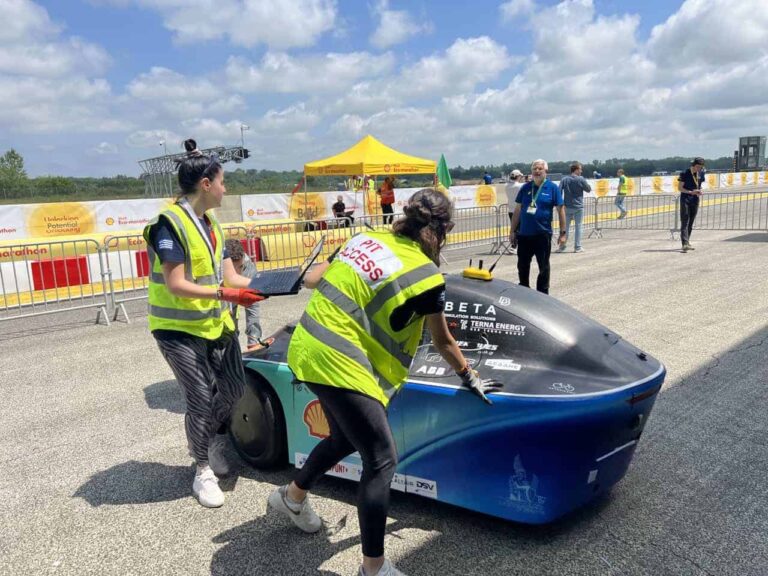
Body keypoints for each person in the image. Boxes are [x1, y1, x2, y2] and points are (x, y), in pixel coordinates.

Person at [267, 189, 501, 576]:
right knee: (381, 459)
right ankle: (373, 568)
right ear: (442, 230)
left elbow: (313, 280)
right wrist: (469, 375)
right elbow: (442, 341)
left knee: (344, 438)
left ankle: (291, 497)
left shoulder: (364, 237)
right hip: (339, 363)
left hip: (306, 348)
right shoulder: (427, 277)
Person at [143, 138, 266, 508]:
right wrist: (228, 297)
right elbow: (176, 284)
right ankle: (201, 468)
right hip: (177, 329)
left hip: (213, 325)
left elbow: (230, 278)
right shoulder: (168, 224)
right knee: (198, 398)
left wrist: (278, 283)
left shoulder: (212, 224)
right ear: (206, 184)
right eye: (223, 181)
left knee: (231, 390)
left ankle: (208, 439)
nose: (227, 189)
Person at [508, 159, 566, 294]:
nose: (537, 171)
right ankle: (524, 290)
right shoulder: (525, 188)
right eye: (534, 169)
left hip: (542, 235)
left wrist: (563, 233)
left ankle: (542, 293)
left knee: (544, 267)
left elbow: (561, 210)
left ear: (546, 171)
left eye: (540, 168)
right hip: (524, 235)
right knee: (522, 266)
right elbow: (517, 210)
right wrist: (512, 230)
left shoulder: (552, 188)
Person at [224, 239, 264, 349]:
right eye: (232, 268)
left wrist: (253, 341)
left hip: (233, 305)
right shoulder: (214, 265)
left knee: (232, 335)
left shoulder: (248, 267)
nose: (237, 273)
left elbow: (253, 307)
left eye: (240, 267)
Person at [558, 162, 592, 253]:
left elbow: (559, 191)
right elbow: (588, 189)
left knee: (565, 228)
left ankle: (562, 246)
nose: (581, 171)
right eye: (580, 169)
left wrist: (560, 204)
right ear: (576, 170)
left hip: (567, 206)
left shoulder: (564, 179)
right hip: (578, 207)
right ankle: (577, 247)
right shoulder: (581, 179)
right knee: (578, 227)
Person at [678, 157, 705, 252]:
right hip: (685, 199)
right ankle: (684, 243)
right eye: (698, 167)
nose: (699, 169)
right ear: (693, 165)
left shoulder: (701, 173)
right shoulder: (685, 173)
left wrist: (700, 191)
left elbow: (699, 185)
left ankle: (687, 241)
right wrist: (690, 192)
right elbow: (680, 188)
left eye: (701, 167)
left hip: (695, 199)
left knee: (691, 222)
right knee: (685, 221)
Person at [504, 169, 525, 254]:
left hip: (511, 210)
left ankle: (514, 245)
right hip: (519, 209)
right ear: (518, 176)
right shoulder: (519, 186)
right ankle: (515, 246)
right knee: (519, 229)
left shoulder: (506, 186)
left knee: (514, 228)